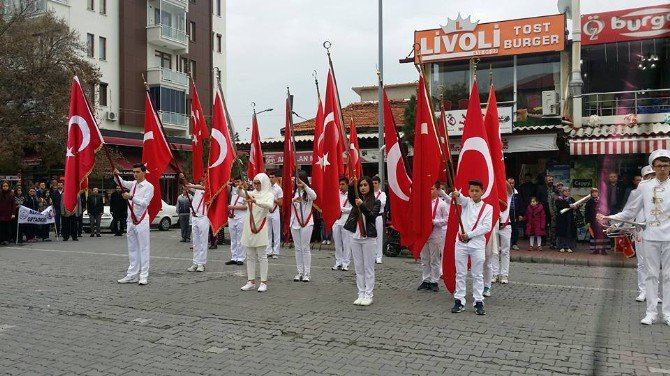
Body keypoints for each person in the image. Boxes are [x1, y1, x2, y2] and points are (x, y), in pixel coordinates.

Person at [603, 149, 670, 326]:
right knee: (651, 275)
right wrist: (612, 219)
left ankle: (667, 314)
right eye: (659, 166)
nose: (662, 169)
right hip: (650, 236)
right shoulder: (644, 187)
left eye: (665, 165)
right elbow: (630, 211)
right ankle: (651, 313)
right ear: (653, 167)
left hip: (669, 237)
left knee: (669, 275)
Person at [450, 180, 493, 315]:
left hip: (477, 244)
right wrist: (455, 194)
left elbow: (486, 227)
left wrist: (469, 234)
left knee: (477, 274)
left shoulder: (488, 208)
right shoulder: (466, 202)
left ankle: (478, 301)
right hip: (461, 244)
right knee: (460, 273)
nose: (474, 193)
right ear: (468, 192)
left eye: (477, 191)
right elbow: (458, 198)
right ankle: (459, 300)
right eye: (472, 191)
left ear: (482, 191)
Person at [114, 164, 155, 286]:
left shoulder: (149, 187)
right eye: (134, 172)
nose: (135, 174)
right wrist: (116, 175)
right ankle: (132, 275)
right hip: (130, 220)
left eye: (137, 172)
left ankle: (143, 275)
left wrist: (131, 197)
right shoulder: (133, 184)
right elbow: (121, 183)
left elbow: (144, 203)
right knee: (132, 248)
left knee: (143, 248)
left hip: (141, 220)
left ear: (144, 172)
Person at [344, 176, 381, 306]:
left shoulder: (376, 202)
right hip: (356, 237)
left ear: (370, 186)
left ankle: (369, 294)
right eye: (360, 186)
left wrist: (363, 205)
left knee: (368, 268)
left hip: (369, 239)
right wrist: (350, 186)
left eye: (365, 185)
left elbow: (371, 216)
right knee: (359, 268)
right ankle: (360, 293)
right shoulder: (356, 201)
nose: (363, 188)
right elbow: (351, 198)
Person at [240, 173, 275, 292]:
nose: (255, 185)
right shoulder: (252, 192)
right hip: (249, 226)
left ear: (264, 182)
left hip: (261, 225)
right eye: (254, 183)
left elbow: (270, 205)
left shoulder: (269, 194)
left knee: (262, 255)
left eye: (258, 183)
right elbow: (242, 194)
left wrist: (256, 201)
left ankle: (263, 282)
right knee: (249, 255)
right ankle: (251, 281)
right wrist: (240, 187)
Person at [630, 165, 656, 303]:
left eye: (652, 176)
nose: (650, 179)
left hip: (656, 233)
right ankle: (642, 291)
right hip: (640, 232)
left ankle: (654, 293)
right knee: (641, 263)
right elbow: (629, 213)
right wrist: (617, 225)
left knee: (654, 264)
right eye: (647, 177)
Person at [418, 182, 449, 292]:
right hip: (423, 235)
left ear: (437, 190)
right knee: (425, 258)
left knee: (434, 259)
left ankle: (434, 281)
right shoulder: (423, 203)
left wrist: (434, 222)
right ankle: (426, 279)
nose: (429, 191)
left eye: (432, 189)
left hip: (435, 233)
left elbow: (447, 220)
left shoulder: (442, 204)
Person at [291, 170, 317, 282]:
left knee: (305, 248)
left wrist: (305, 186)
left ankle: (307, 273)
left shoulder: (308, 192)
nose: (297, 181)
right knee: (297, 248)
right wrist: (294, 199)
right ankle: (299, 272)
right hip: (295, 222)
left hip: (307, 223)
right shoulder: (294, 192)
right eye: (296, 179)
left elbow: (314, 196)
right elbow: (288, 203)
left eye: (299, 179)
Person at [490, 181, 515, 287]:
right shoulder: (491, 195)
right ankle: (494, 273)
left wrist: (500, 175)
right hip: (494, 225)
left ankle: (504, 274)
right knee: (494, 251)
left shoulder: (507, 195)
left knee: (505, 251)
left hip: (506, 225)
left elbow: (509, 188)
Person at [185, 177, 209, 272]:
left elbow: (204, 188)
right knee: (195, 242)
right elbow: (188, 185)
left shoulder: (208, 189)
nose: (203, 180)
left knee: (203, 241)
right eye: (202, 178)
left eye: (205, 178)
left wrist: (191, 185)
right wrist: (183, 178)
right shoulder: (197, 189)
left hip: (203, 217)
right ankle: (195, 263)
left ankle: (201, 263)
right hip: (195, 217)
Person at [332, 176, 353, 271]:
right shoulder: (336, 194)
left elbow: (352, 209)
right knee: (337, 243)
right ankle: (338, 262)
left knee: (346, 242)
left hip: (346, 220)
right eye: (340, 184)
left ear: (347, 185)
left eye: (343, 184)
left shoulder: (351, 195)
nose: (341, 186)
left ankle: (346, 262)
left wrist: (342, 209)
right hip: (336, 220)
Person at [225, 176, 247, 266]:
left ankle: (241, 258)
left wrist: (232, 207)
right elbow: (225, 186)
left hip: (241, 217)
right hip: (232, 217)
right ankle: (234, 257)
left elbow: (246, 207)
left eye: (238, 181)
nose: (237, 183)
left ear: (242, 182)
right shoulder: (233, 191)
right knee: (233, 239)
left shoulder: (246, 192)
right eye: (236, 182)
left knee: (240, 239)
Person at [585, 188, 609, 255]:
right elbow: (587, 213)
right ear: (591, 193)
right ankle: (596, 250)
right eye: (593, 192)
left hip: (602, 221)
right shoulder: (589, 201)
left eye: (596, 192)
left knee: (603, 235)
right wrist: (588, 221)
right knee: (595, 235)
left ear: (598, 193)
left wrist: (606, 219)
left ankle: (603, 250)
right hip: (593, 221)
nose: (594, 193)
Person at [265, 171, 283, 259]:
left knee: (276, 232)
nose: (271, 179)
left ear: (276, 178)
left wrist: (273, 199)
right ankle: (268, 251)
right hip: (267, 211)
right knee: (268, 232)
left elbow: (280, 203)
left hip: (275, 211)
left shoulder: (278, 189)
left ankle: (276, 251)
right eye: (270, 177)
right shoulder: (266, 188)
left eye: (272, 177)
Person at [555, 187, 578, 253]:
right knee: (562, 232)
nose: (567, 192)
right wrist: (568, 205)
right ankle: (561, 246)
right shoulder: (558, 199)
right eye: (565, 191)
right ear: (562, 192)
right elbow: (559, 206)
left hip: (569, 217)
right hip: (561, 218)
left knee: (569, 231)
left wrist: (576, 207)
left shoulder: (571, 199)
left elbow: (576, 206)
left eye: (568, 191)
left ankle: (568, 246)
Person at [372, 176, 386, 264]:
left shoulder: (382, 194)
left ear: (379, 183)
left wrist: (374, 203)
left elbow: (382, 203)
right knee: (371, 236)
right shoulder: (369, 193)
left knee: (379, 236)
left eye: (376, 183)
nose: (374, 185)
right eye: (373, 183)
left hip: (378, 216)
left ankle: (379, 256)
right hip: (370, 216)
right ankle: (373, 255)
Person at [507, 178, 522, 251]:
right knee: (506, 229)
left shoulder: (517, 193)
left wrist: (520, 214)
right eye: (509, 183)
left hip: (515, 213)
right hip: (506, 214)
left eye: (512, 183)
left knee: (515, 229)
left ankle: (514, 244)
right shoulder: (504, 192)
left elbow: (520, 204)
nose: (511, 184)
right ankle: (506, 244)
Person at [0, 181, 15, 245]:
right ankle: (1, 240)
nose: (5, 187)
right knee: (1, 227)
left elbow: (13, 205)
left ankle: (7, 239)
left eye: (6, 186)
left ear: (8, 187)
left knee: (8, 227)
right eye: (4, 186)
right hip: (1, 213)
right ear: (1, 187)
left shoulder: (11, 194)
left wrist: (13, 213)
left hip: (8, 213)